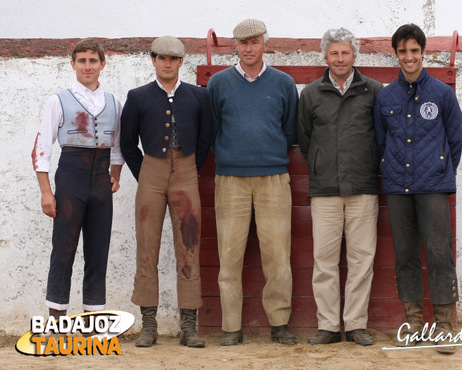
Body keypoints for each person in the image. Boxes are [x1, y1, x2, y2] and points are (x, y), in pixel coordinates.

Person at [207, 19, 298, 346]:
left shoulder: (284, 83)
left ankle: (279, 324)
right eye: (243, 42)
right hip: (231, 179)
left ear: (264, 44)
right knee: (229, 256)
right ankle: (231, 327)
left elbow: (289, 131)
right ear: (235, 45)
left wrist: (266, 154)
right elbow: (213, 129)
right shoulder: (218, 83)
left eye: (255, 42)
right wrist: (234, 155)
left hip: (273, 178)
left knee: (277, 255)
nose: (248, 48)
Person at [374, 24, 462, 353]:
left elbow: (455, 140)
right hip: (398, 188)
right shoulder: (385, 97)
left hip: (434, 187)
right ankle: (414, 321)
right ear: (396, 54)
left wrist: (441, 170)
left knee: (440, 255)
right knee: (406, 256)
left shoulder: (442, 94)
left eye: (414, 50)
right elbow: (381, 141)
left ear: (423, 53)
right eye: (403, 51)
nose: (409, 57)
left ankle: (444, 324)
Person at [120, 36, 212, 348]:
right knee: (147, 244)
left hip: (186, 170)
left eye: (173, 59)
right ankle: (149, 324)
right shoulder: (138, 96)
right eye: (162, 58)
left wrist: (191, 168)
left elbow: (205, 138)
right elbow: (127, 142)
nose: (167, 63)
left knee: (189, 243)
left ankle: (189, 325)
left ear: (181, 62)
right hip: (151, 170)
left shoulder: (198, 96)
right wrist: (144, 172)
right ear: (153, 60)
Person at [297, 28, 383, 347]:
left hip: (363, 187)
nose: (340, 58)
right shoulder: (311, 94)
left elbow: (381, 136)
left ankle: (357, 324)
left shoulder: (373, 91)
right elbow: (305, 139)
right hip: (325, 190)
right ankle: (329, 326)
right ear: (325, 57)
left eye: (345, 53)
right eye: (334, 53)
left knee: (362, 259)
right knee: (325, 261)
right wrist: (320, 163)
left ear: (354, 56)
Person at [31, 38, 124, 320]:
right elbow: (41, 148)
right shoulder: (57, 100)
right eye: (81, 61)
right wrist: (47, 192)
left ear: (102, 65)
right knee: (63, 248)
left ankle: (93, 320)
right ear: (72, 64)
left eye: (93, 61)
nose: (87, 66)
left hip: (100, 180)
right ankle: (56, 319)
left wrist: (115, 176)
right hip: (71, 176)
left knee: (98, 251)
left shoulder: (113, 102)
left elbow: (117, 145)